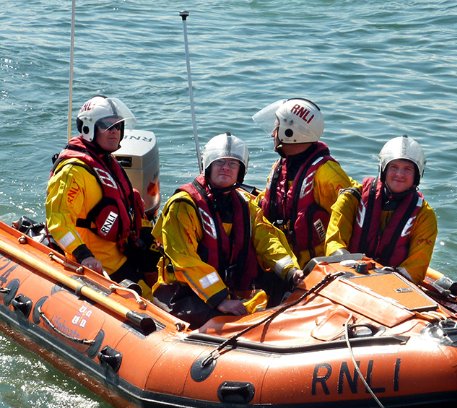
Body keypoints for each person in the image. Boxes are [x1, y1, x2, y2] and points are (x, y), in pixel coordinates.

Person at [151, 132, 303, 329]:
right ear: (209, 166)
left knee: (282, 286)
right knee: (228, 323)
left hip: (227, 287)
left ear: (241, 171)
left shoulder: (245, 204)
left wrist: (291, 271)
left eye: (233, 164)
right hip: (184, 292)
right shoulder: (183, 205)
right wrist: (220, 299)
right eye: (220, 162)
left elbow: (267, 240)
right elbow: (185, 260)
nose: (225, 168)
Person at [46, 95, 158, 290]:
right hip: (101, 261)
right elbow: (58, 223)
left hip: (121, 248)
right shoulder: (73, 172)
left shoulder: (105, 161)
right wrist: (83, 255)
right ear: (89, 128)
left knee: (160, 263)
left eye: (118, 126)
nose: (114, 132)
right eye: (107, 126)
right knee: (147, 298)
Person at [253, 97, 357, 268]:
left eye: (277, 126)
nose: (273, 133)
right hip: (282, 260)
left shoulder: (327, 174)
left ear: (290, 132)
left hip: (316, 267)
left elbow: (350, 217)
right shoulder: (281, 167)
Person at [325, 135, 437, 284]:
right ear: (383, 169)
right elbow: (334, 242)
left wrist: (386, 278)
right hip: (348, 277)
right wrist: (348, 265)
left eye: (407, 169)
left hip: (392, 284)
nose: (399, 174)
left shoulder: (425, 216)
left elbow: (416, 268)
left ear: (417, 175)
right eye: (394, 167)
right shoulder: (351, 199)